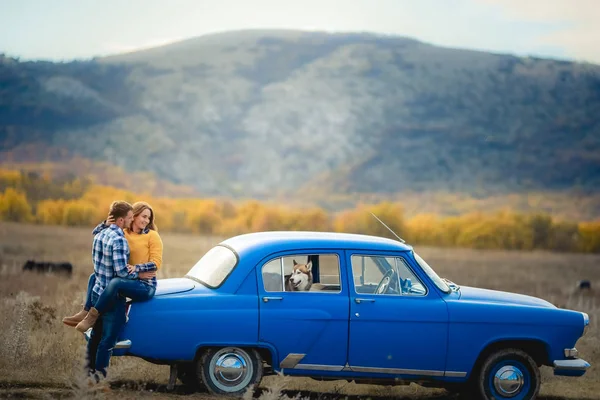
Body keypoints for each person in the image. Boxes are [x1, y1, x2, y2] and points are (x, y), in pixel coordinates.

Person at [63, 201, 163, 331]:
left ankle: (92, 317)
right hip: (130, 277)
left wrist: (137, 269)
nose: (146, 220)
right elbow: (97, 234)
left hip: (145, 284)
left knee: (115, 283)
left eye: (148, 218)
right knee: (94, 277)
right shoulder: (124, 231)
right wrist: (106, 224)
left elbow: (156, 263)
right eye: (144, 216)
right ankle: (85, 311)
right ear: (134, 216)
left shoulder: (152, 235)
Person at [79, 200, 141, 380]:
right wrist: (138, 274)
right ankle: (99, 379)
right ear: (121, 220)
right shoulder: (119, 239)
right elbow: (121, 272)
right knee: (107, 341)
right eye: (129, 218)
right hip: (113, 296)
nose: (131, 221)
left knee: (96, 337)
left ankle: (88, 375)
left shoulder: (100, 234)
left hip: (98, 291)